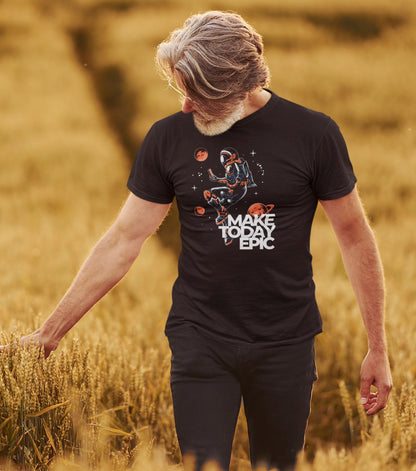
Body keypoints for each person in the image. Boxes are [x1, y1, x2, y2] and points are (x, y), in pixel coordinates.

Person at [2, 11, 393, 471]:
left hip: (287, 341)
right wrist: (50, 333)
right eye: (181, 90)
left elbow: (355, 237)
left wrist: (378, 347)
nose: (186, 106)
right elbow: (124, 239)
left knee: (278, 465)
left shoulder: (313, 134)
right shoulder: (167, 139)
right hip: (200, 336)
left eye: (199, 94)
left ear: (243, 83)